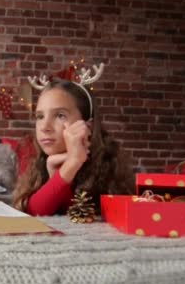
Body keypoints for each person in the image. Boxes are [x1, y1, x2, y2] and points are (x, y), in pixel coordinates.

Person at [13, 80, 133, 216]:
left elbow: (81, 220)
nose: (44, 127)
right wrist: (63, 170)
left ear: (87, 125)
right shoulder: (35, 160)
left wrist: (73, 163)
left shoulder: (108, 166)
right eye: (40, 116)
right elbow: (33, 212)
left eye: (60, 115)